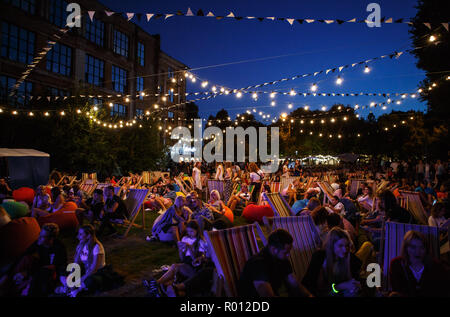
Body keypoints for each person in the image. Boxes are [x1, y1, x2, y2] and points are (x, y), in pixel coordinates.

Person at [238, 229, 313, 297]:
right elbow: (267, 294)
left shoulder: (282, 259)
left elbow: (294, 283)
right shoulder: (258, 264)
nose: (288, 255)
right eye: (286, 252)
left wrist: (309, 295)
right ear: (274, 249)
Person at [147, 220, 210, 297]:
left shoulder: (201, 241)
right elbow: (182, 258)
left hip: (193, 267)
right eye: (188, 231)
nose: (189, 233)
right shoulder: (185, 238)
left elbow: (195, 261)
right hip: (185, 263)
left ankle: (155, 284)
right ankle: (160, 289)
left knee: (175, 266)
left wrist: (190, 247)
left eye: (192, 231)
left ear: (197, 230)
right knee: (175, 271)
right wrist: (180, 249)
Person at [59, 224, 122, 297]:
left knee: (91, 281)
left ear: (89, 235)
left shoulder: (97, 247)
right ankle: (68, 287)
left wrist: (78, 281)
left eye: (80, 234)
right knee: (64, 269)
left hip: (97, 272)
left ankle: (77, 289)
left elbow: (93, 269)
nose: (77, 236)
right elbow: (76, 263)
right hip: (85, 269)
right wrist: (70, 276)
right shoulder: (81, 244)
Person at [7, 223, 67, 296]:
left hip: (51, 272)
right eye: (39, 234)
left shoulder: (58, 248)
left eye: (43, 236)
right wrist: (8, 273)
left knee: (42, 274)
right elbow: (24, 254)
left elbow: (53, 267)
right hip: (40, 267)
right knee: (26, 258)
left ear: (51, 239)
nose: (39, 237)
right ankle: (8, 280)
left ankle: (25, 289)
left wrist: (28, 273)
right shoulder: (39, 242)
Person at [302, 227, 363, 297]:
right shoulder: (320, 258)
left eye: (346, 246)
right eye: (340, 246)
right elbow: (320, 290)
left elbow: (354, 277)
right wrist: (340, 287)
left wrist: (355, 285)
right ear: (331, 245)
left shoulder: (348, 257)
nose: (345, 250)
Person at [389, 230, 450, 297]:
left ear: (426, 249)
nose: (417, 251)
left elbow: (443, 290)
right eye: (413, 247)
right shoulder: (396, 265)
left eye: (422, 248)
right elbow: (397, 290)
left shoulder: (436, 266)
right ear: (406, 247)